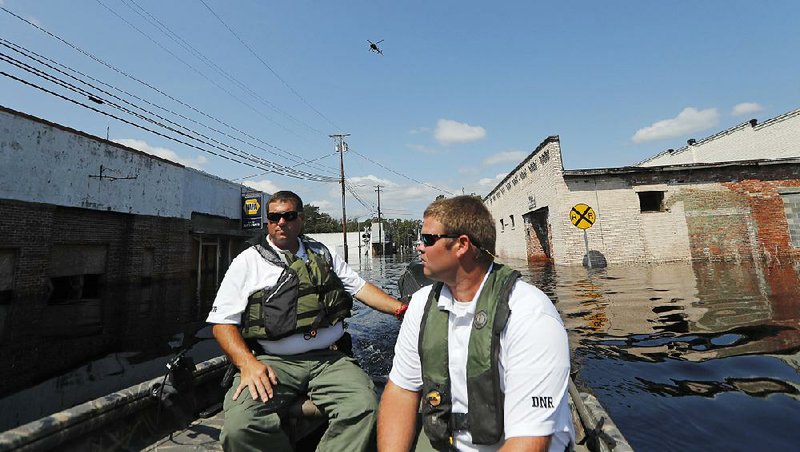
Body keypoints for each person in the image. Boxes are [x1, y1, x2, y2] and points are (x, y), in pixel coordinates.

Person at [207, 190, 406, 452]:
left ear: (300, 219)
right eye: (274, 217)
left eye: (288, 216)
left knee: (365, 406)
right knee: (240, 427)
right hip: (274, 362)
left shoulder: (322, 253)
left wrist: (401, 309)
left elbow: (360, 289)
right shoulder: (248, 261)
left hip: (329, 358)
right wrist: (247, 364)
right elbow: (222, 323)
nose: (281, 222)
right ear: (267, 221)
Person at [377, 196, 574, 452]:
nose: (419, 247)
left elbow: (528, 443)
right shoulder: (421, 304)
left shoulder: (529, 314)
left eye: (428, 239)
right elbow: (402, 392)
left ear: (461, 245)